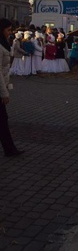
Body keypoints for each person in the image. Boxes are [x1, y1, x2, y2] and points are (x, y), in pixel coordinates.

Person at [0, 18, 24, 156]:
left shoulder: (4, 43)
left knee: (3, 121)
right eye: (8, 30)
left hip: (2, 85)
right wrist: (4, 93)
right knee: (3, 121)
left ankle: (10, 148)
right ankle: (10, 149)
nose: (10, 33)